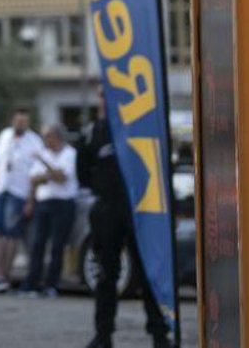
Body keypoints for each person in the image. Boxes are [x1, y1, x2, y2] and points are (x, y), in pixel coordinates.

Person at [79, 101, 173, 348]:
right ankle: (103, 335)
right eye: (100, 95)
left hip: (141, 208)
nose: (104, 100)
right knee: (106, 274)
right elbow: (83, 174)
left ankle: (159, 335)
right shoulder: (93, 132)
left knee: (147, 274)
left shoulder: (142, 127)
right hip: (107, 210)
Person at [0, 108, 44, 293]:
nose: (21, 125)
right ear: (12, 121)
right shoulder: (5, 136)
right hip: (1, 189)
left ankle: (5, 275)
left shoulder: (34, 142)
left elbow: (37, 172)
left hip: (19, 192)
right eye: (18, 121)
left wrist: (30, 199)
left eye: (24, 122)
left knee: (11, 235)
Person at [21, 124, 79, 297]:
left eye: (48, 137)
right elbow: (33, 179)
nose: (46, 141)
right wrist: (48, 175)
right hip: (44, 202)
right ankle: (31, 284)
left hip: (63, 203)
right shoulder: (45, 153)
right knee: (38, 243)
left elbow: (62, 177)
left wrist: (45, 166)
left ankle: (51, 284)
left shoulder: (69, 154)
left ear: (58, 137)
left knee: (57, 245)